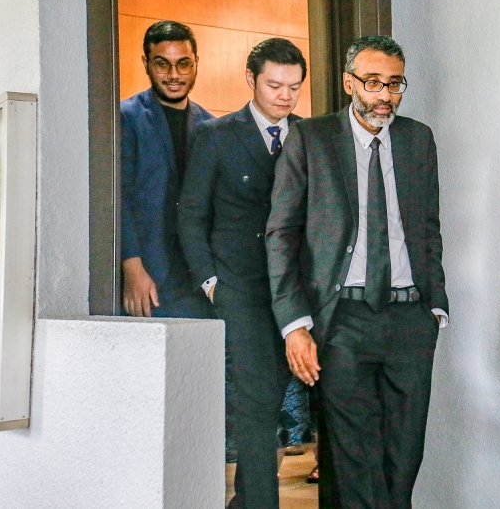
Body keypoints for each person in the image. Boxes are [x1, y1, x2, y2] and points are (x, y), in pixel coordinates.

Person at [267, 34, 448, 509]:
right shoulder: (311, 138)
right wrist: (295, 324)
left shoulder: (418, 140)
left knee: (402, 460)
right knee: (353, 463)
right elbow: (281, 233)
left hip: (409, 319)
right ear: (349, 83)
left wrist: (435, 306)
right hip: (341, 320)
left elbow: (428, 228)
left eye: (394, 84)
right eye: (372, 82)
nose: (384, 95)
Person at [177, 37, 306, 509]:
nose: (284, 96)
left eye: (294, 87)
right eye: (274, 84)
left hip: (296, 291)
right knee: (256, 401)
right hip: (241, 288)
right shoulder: (216, 135)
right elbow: (191, 214)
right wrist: (211, 282)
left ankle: (247, 503)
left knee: (277, 398)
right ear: (251, 79)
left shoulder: (309, 136)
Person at [121, 20, 214, 319]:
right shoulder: (126, 117)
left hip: (198, 279)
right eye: (163, 64)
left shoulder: (211, 127)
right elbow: (118, 199)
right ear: (146, 63)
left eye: (183, 64)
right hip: (149, 277)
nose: (174, 75)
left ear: (196, 63)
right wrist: (132, 268)